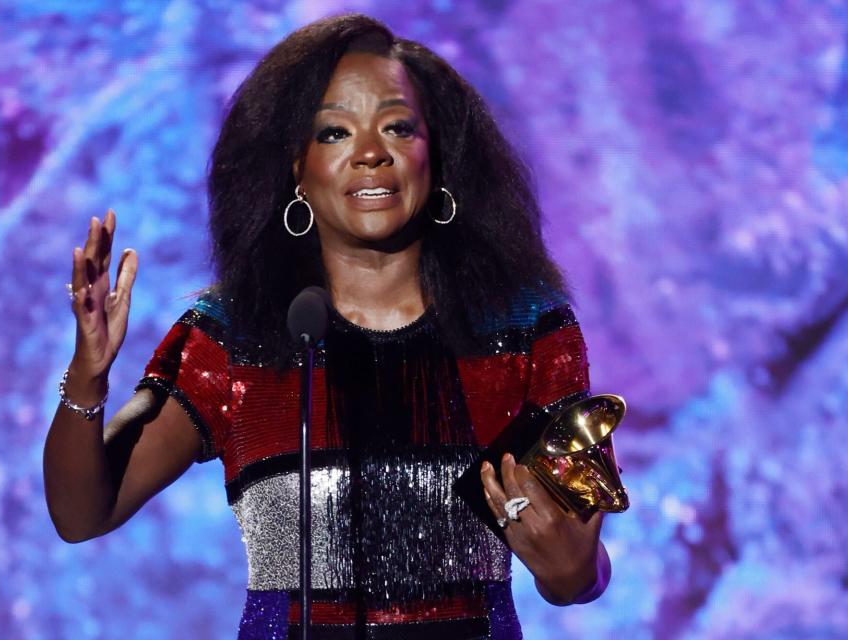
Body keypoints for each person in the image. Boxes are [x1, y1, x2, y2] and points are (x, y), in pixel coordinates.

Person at [43, 13, 611, 639]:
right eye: (335, 132)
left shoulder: (525, 330)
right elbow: (80, 513)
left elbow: (576, 572)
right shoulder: (235, 338)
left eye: (398, 126)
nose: (370, 153)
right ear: (296, 169)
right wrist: (89, 377)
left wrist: (574, 571)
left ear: (438, 154)